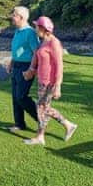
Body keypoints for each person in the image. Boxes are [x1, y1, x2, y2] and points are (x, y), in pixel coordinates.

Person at [22, 16, 77, 145]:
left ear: (43, 28)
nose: (35, 28)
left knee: (41, 108)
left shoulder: (54, 43)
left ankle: (41, 136)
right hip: (42, 80)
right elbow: (42, 61)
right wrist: (32, 71)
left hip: (50, 82)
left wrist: (58, 85)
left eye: (36, 26)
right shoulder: (44, 41)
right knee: (44, 108)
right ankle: (67, 125)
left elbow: (59, 65)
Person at [5, 6, 40, 132]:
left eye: (14, 15)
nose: (12, 17)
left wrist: (31, 69)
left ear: (21, 17)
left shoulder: (30, 32)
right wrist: (11, 62)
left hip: (26, 67)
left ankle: (41, 119)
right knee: (15, 97)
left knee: (21, 97)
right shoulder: (18, 31)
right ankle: (19, 124)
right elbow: (17, 50)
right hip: (17, 66)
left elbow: (36, 52)